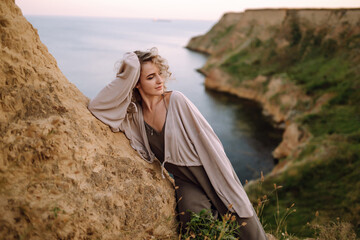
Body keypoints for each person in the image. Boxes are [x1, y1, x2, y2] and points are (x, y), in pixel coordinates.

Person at [88, 47, 267, 239]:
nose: (159, 81)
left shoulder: (177, 101)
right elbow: (98, 107)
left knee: (243, 220)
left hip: (208, 172)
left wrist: (229, 182)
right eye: (150, 77)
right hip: (184, 180)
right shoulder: (133, 115)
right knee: (195, 225)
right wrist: (129, 70)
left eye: (159, 74)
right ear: (136, 83)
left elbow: (211, 144)